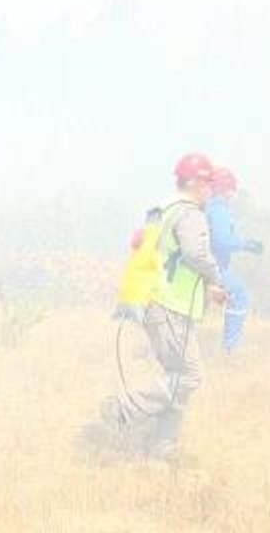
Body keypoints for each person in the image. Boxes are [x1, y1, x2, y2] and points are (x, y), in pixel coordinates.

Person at [102, 152, 226, 462]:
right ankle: (123, 408)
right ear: (196, 182)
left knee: (177, 376)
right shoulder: (190, 213)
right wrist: (216, 278)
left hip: (155, 303)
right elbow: (196, 253)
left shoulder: (163, 209)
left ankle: (164, 448)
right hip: (170, 306)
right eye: (208, 183)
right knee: (189, 376)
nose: (211, 190)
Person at [206, 167, 263, 351]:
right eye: (231, 189)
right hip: (215, 268)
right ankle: (231, 347)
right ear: (225, 189)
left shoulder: (208, 205)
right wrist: (247, 245)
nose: (233, 194)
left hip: (210, 265)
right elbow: (222, 241)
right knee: (239, 295)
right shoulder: (218, 208)